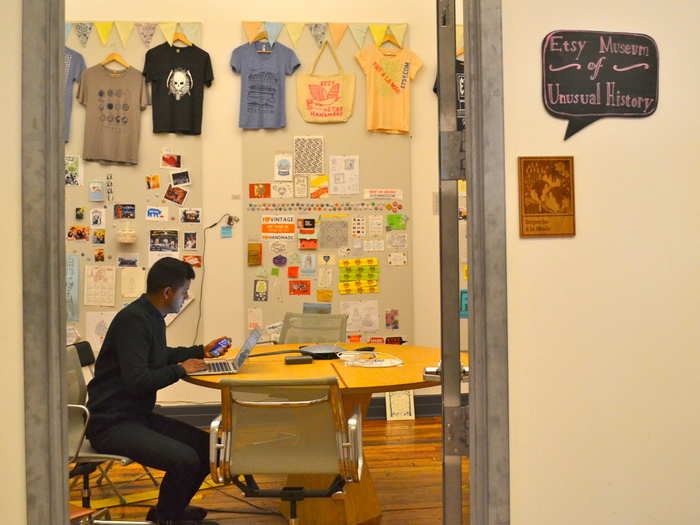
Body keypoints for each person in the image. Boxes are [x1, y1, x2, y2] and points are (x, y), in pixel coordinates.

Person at [86, 257, 230, 525]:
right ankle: (168, 519)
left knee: (205, 447)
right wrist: (181, 369)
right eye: (184, 292)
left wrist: (199, 351)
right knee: (185, 460)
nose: (185, 297)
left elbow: (160, 355)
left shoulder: (150, 315)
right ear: (167, 293)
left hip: (135, 416)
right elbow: (138, 380)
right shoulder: (134, 321)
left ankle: (169, 513)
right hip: (110, 424)